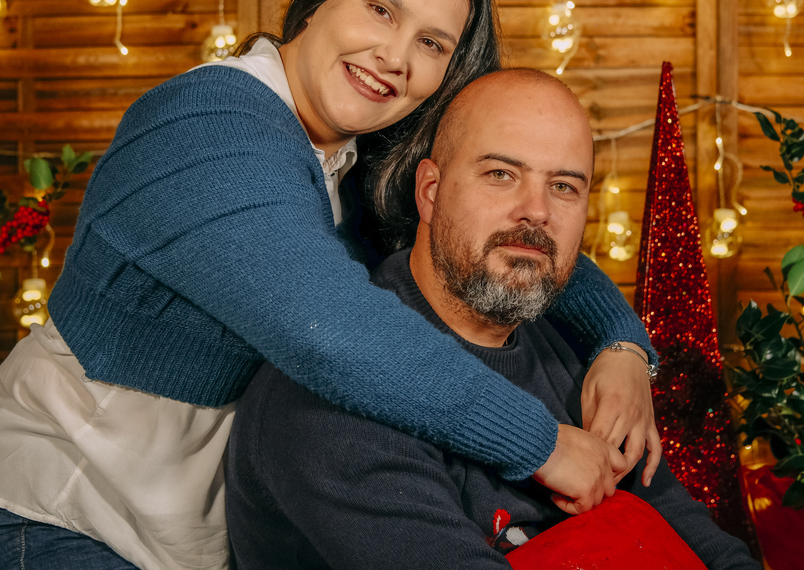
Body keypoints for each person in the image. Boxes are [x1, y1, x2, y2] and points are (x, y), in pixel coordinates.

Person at [0, 0, 660, 570]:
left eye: (431, 43)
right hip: (57, 516)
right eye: (381, 10)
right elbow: (332, 332)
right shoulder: (210, 124)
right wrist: (540, 443)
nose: (395, 56)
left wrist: (621, 343)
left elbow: (515, 235)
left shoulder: (354, 159)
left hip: (179, 540)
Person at [225, 69, 758, 570]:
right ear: (430, 192)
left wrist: (625, 348)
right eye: (501, 174)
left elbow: (696, 537)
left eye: (564, 186)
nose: (537, 211)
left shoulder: (577, 351)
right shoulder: (334, 403)